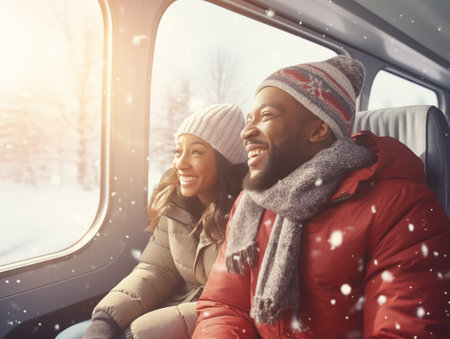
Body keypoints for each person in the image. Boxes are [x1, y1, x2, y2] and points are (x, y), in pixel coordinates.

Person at [192, 56, 450, 338]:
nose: (246, 131)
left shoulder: (403, 208)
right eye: (249, 119)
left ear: (318, 130)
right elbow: (224, 306)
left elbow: (403, 331)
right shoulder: (251, 203)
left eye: (266, 116)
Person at [56, 103, 247, 339]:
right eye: (178, 152)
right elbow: (157, 269)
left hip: (211, 325)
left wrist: (136, 331)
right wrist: (106, 319)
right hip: (168, 310)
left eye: (196, 152)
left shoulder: (247, 216)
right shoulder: (176, 203)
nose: (180, 163)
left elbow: (229, 306)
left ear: (226, 161)